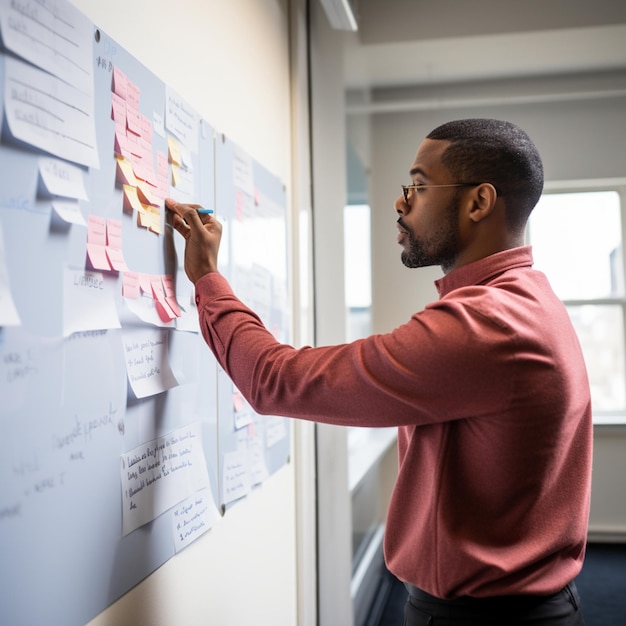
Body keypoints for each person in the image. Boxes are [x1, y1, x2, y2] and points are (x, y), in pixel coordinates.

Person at [166, 118, 592, 626]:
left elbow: (273, 380)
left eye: (418, 185)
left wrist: (207, 278)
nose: (401, 202)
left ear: (479, 202)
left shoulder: (483, 325)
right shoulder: (532, 299)